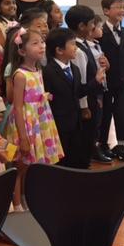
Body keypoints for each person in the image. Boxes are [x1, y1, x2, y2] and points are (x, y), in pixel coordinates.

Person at [4, 28, 63, 209]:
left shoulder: (38, 70)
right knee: (19, 166)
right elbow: (18, 106)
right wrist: (22, 135)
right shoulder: (20, 75)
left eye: (42, 42)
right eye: (35, 43)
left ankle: (25, 197)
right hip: (26, 123)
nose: (41, 46)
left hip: (39, 120)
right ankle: (16, 203)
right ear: (22, 51)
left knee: (31, 166)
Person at [43, 28, 103, 169]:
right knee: (60, 161)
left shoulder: (74, 69)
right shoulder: (48, 72)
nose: (76, 48)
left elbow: (78, 92)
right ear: (59, 50)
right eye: (72, 44)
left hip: (75, 122)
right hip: (57, 123)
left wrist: (96, 81)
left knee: (74, 156)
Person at [65, 5, 110, 164]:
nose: (93, 26)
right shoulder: (77, 50)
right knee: (87, 133)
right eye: (92, 23)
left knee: (92, 131)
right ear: (81, 26)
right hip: (86, 100)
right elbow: (81, 81)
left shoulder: (85, 44)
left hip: (93, 95)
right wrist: (84, 107)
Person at [99, 0, 124, 162]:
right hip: (106, 80)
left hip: (121, 80)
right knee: (105, 112)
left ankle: (121, 144)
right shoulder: (100, 32)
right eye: (118, 7)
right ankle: (102, 143)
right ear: (106, 11)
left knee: (122, 111)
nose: (122, 10)